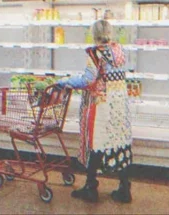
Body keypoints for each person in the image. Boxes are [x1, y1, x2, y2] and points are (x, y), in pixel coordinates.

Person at [57, 19, 133, 203]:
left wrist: (65, 82)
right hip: (119, 105)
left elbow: (88, 80)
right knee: (119, 142)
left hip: (102, 105)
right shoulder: (119, 50)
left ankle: (91, 187)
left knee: (96, 144)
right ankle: (124, 188)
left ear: (94, 34)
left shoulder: (95, 53)